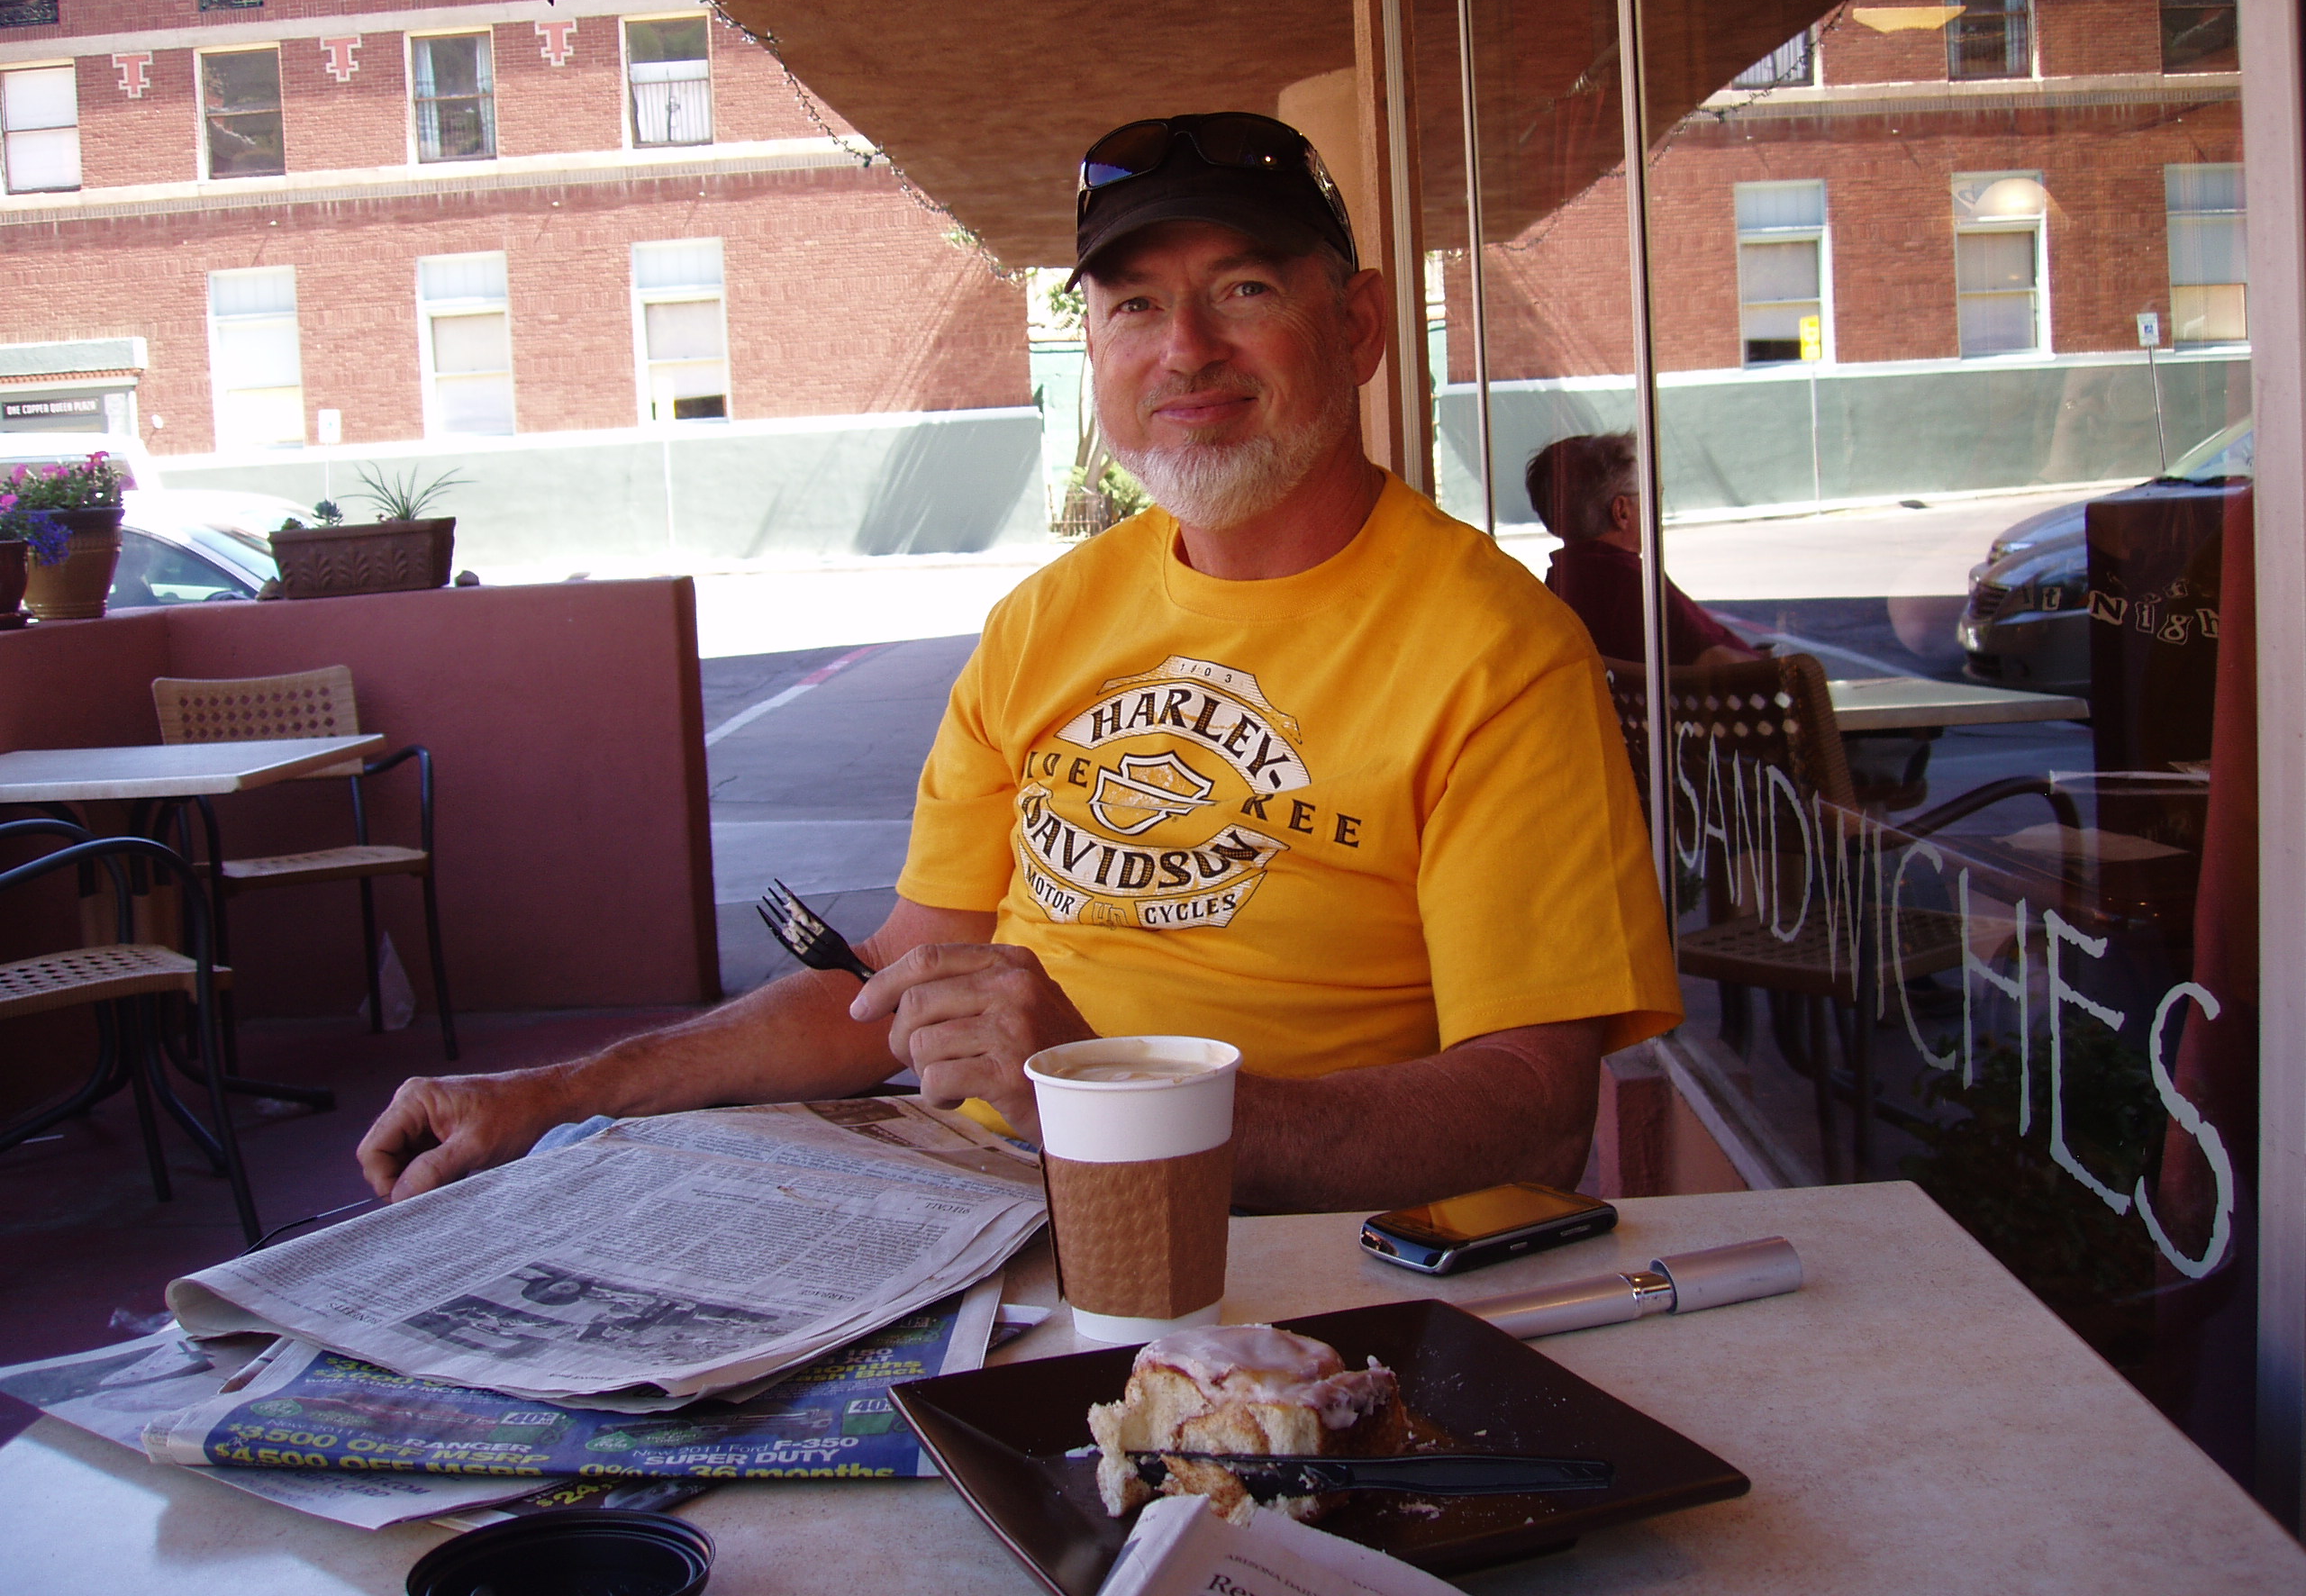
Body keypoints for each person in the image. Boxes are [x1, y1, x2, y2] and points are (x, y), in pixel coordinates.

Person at [359, 113, 1679, 1215]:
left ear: (1361, 325)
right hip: (981, 1210)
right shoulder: (1048, 621)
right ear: (1094, 350)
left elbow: (1531, 1110)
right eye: (1135, 305)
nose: (1186, 349)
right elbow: (889, 982)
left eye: (1246, 290)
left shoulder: (1495, 652)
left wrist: (1112, 1097)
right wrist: (554, 1094)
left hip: (1272, 1256)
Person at [1525, 433, 1760, 668]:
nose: (1656, 503)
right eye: (1650, 493)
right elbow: (1719, 665)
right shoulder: (1631, 584)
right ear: (1621, 511)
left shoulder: (1559, 583)